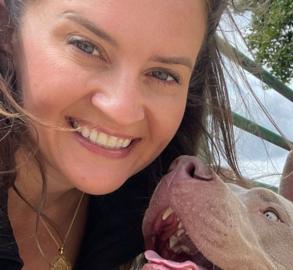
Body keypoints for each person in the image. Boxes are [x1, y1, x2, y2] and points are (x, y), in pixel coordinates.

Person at [0, 0, 240, 269]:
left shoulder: (143, 223)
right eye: (86, 46)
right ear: (6, 28)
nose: (122, 110)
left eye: (163, 74)